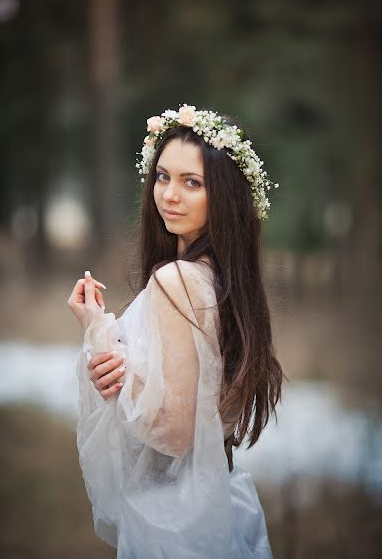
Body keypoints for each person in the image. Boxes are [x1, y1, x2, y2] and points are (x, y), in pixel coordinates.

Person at [68, 104, 283, 558]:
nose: (169, 194)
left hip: (176, 518)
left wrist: (100, 335)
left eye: (192, 182)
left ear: (223, 195)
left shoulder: (177, 280)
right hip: (224, 496)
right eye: (162, 177)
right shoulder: (222, 280)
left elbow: (174, 431)